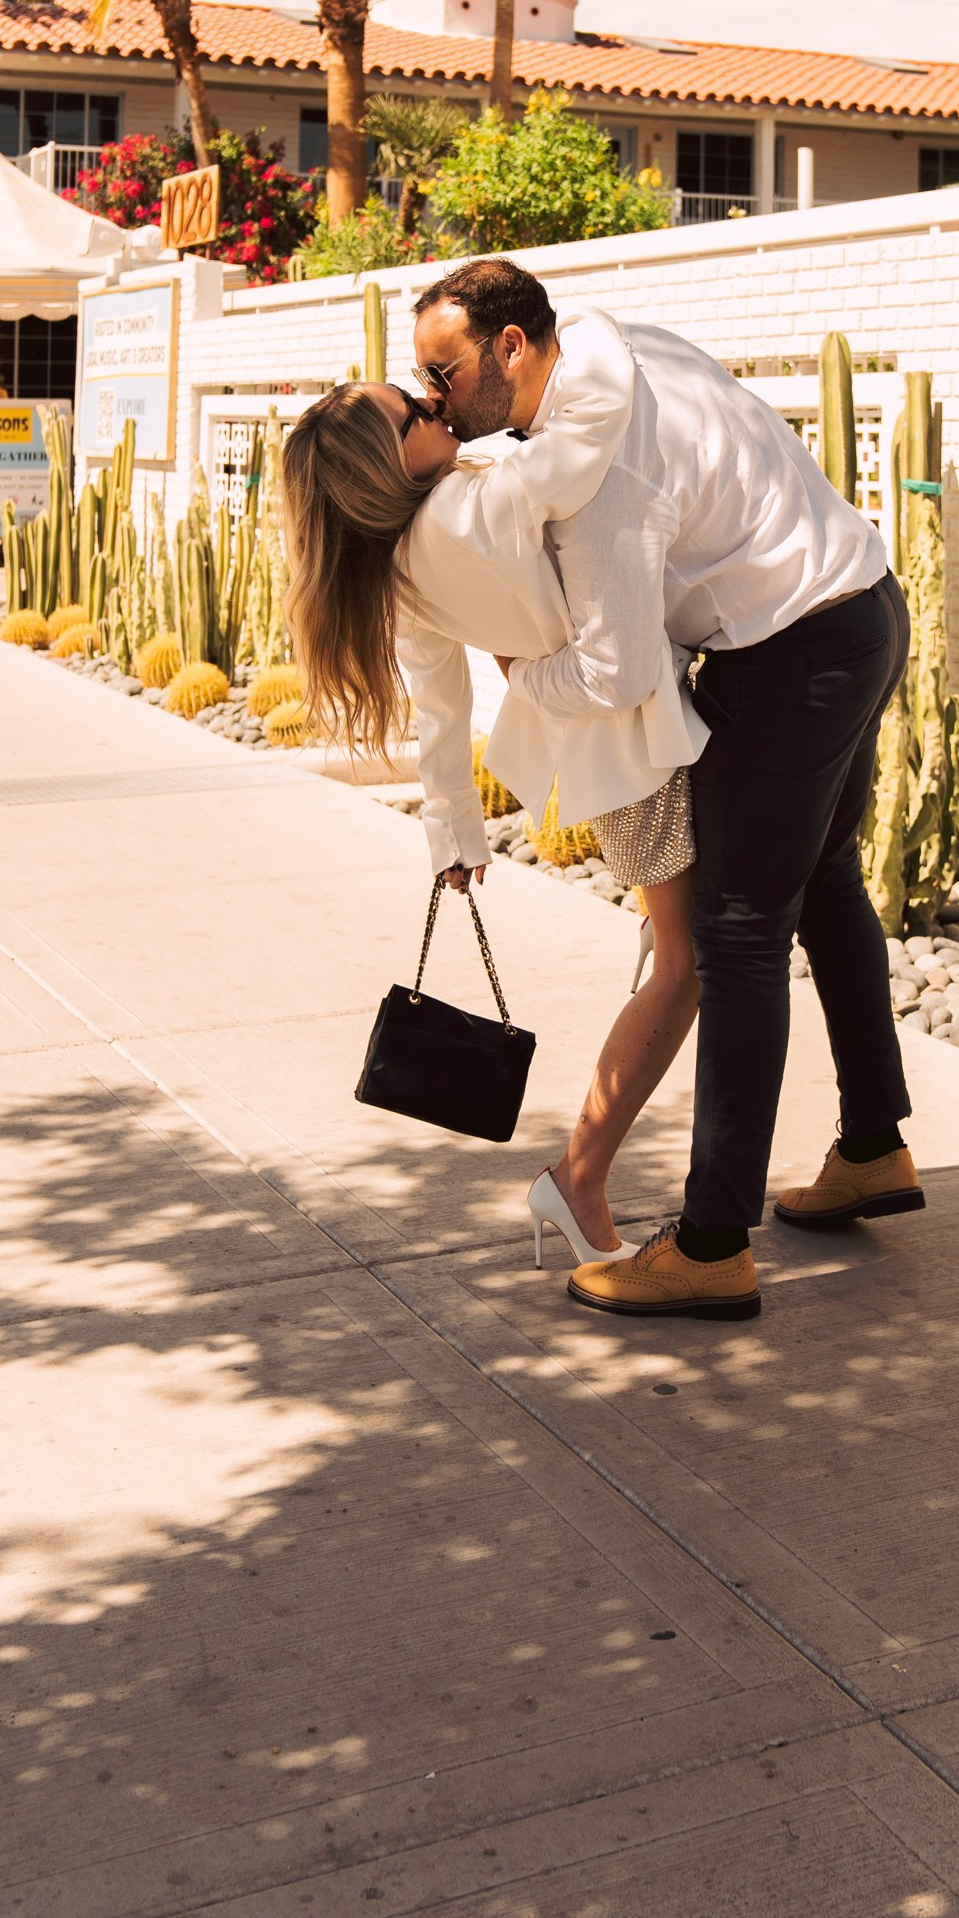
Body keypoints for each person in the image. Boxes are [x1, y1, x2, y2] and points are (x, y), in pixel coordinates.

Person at [410, 257, 917, 1327]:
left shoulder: (594, 479)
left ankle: (710, 1244)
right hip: (860, 603)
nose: (434, 395)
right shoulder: (625, 346)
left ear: (510, 347)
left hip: (786, 656)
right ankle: (872, 1146)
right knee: (824, 893)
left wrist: (514, 680)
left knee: (735, 940)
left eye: (443, 370)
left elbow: (616, 671)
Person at [279, 314, 709, 1263]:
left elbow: (439, 703)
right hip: (633, 747)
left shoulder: (398, 563)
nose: (432, 397)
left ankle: (588, 1170)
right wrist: (585, 339)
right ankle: (580, 1177)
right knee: (689, 968)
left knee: (684, 948)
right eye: (410, 406)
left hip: (604, 753)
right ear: (389, 462)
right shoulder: (475, 508)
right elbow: (587, 437)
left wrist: (454, 838)